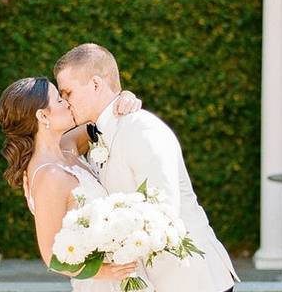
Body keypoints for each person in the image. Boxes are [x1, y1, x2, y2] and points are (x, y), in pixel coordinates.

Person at [54, 43, 239, 292]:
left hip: (191, 280)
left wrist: (102, 233)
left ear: (96, 85)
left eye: (68, 93)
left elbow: (164, 211)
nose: (65, 103)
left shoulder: (142, 129)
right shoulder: (96, 134)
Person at [0, 76, 152, 291]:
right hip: (103, 282)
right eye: (59, 100)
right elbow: (51, 255)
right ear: (43, 116)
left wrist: (124, 98)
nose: (67, 102)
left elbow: (102, 119)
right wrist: (106, 271)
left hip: (127, 271)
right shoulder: (49, 176)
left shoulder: (67, 146)